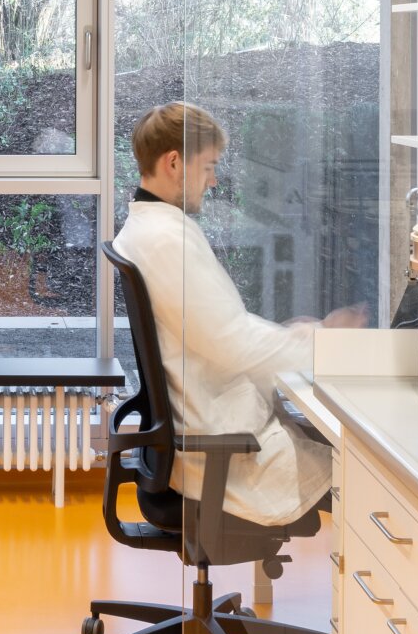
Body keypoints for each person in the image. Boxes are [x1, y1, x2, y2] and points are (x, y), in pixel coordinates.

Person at [112, 101, 332, 527]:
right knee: (369, 481)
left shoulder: (146, 228)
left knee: (330, 449)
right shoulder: (167, 241)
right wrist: (319, 346)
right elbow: (233, 343)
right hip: (221, 454)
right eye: (209, 166)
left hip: (199, 434)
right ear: (174, 162)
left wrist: (293, 336)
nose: (213, 180)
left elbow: (222, 327)